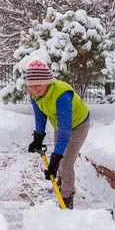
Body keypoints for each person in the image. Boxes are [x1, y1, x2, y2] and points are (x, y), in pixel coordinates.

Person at [26, 59, 90, 209]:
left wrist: (55, 158)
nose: (34, 88)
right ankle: (61, 182)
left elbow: (66, 131)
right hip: (61, 126)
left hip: (78, 125)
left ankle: (67, 197)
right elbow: (40, 116)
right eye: (31, 84)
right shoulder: (35, 94)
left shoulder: (62, 94)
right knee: (60, 159)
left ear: (47, 82)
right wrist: (38, 136)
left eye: (38, 84)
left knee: (65, 163)